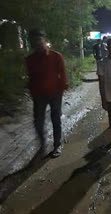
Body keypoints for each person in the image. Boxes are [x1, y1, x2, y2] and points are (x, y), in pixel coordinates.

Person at [25, 29, 68, 158]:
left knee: (56, 119)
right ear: (31, 43)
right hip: (39, 95)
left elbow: (63, 74)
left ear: (44, 40)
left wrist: (62, 87)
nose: (37, 43)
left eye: (39, 40)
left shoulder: (56, 56)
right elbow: (31, 77)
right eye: (34, 41)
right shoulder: (30, 60)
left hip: (55, 93)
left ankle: (57, 145)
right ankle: (43, 144)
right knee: (38, 121)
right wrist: (32, 91)